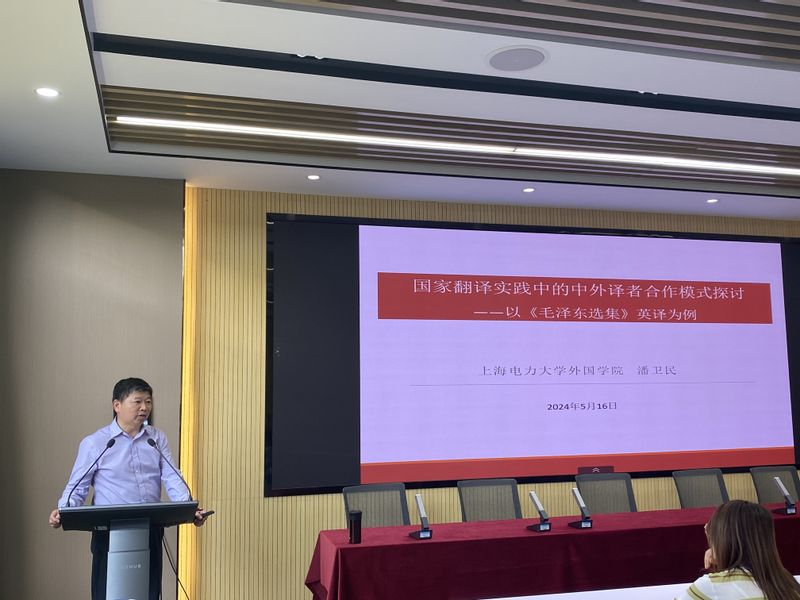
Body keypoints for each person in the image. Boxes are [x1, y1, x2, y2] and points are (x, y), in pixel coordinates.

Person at [49, 377, 209, 600]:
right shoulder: (96, 442)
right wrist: (64, 510)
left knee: (149, 593)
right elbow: (78, 486)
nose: (144, 407)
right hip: (108, 532)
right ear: (117, 405)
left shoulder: (156, 438)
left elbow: (172, 476)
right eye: (138, 401)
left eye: (148, 402)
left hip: (150, 527)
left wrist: (188, 509)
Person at [675, 500, 800, 600]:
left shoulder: (710, 586)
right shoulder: (789, 584)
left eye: (710, 531)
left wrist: (719, 566)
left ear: (723, 539)